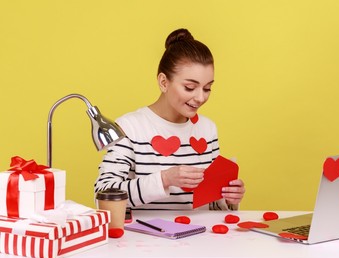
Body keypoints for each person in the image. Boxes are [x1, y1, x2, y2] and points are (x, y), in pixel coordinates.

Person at [94, 28, 245, 210]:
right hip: (146, 237)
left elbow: (210, 205)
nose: (200, 98)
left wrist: (229, 198)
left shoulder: (207, 129)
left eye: (207, 88)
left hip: (201, 236)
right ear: (164, 82)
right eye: (190, 87)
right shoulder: (130, 127)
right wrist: (164, 179)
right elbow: (102, 196)